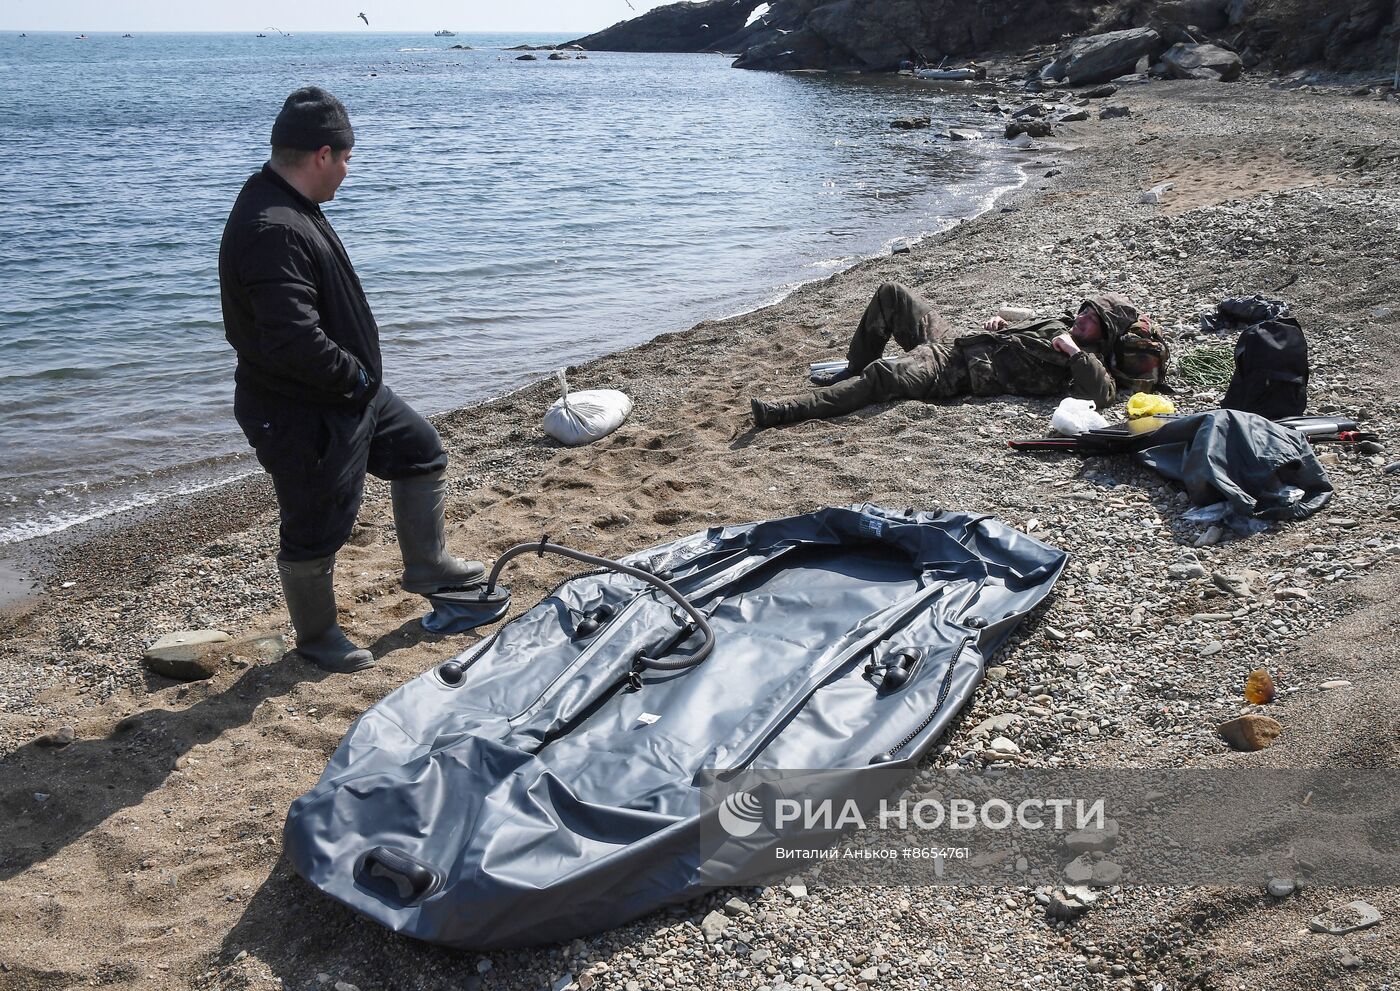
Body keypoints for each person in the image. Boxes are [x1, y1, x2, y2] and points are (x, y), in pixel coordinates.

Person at [219, 87, 485, 673]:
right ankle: (317, 639)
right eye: (346, 158)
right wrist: (360, 380)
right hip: (301, 408)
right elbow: (291, 341)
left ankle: (429, 566)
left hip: (348, 394)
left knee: (420, 451)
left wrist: (362, 386)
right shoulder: (273, 227)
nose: (347, 171)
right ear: (322, 154)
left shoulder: (289, 202)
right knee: (315, 526)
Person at [750, 282, 1166, 430]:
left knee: (883, 376)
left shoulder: (1083, 360)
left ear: (1105, 332)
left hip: (951, 369)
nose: (1081, 318)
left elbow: (1105, 394)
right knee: (891, 294)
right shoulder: (1061, 324)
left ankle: (786, 411)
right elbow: (1023, 326)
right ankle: (850, 369)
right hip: (953, 340)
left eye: (1091, 318)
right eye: (1083, 309)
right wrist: (1003, 325)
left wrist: (1076, 351)